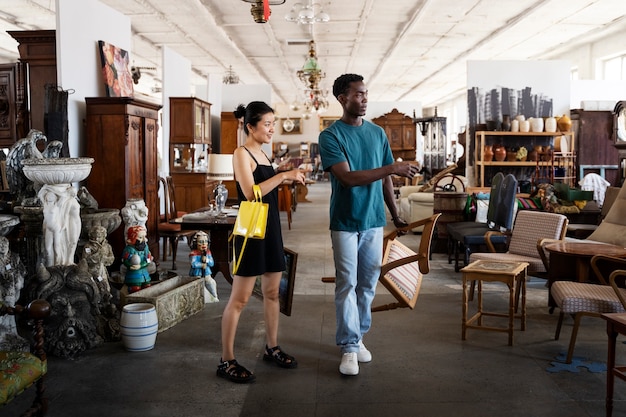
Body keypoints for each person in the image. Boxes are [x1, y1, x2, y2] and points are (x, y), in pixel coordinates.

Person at [318, 73, 419, 376]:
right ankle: (349, 347)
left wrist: (395, 213)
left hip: (374, 220)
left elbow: (386, 179)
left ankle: (358, 336)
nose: (364, 99)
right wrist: (391, 166)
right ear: (342, 98)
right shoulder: (330, 136)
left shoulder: (377, 133)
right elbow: (347, 179)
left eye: (365, 94)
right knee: (347, 283)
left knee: (368, 285)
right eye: (358, 94)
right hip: (346, 222)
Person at [217, 101, 305, 384]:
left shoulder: (263, 155)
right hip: (250, 230)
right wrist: (283, 175)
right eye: (267, 124)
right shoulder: (241, 153)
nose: (271, 129)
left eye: (273, 123)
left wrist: (287, 176)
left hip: (271, 230)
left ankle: (272, 347)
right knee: (240, 299)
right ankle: (226, 360)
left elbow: (269, 189)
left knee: (271, 293)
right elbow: (250, 193)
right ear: (250, 126)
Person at [120, 225, 153, 294]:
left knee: (148, 287)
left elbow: (148, 260)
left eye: (145, 236)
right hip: (133, 275)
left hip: (145, 273)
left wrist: (141, 265)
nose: (144, 239)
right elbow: (125, 261)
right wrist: (130, 266)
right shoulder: (129, 249)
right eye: (140, 237)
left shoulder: (145, 247)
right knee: (135, 289)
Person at [188, 231, 218, 303]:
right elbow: (193, 264)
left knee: (211, 283)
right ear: (196, 243)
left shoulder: (208, 253)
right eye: (200, 242)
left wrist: (206, 260)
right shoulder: (193, 254)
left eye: (205, 241)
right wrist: (201, 265)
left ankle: (214, 297)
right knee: (197, 286)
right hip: (197, 273)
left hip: (206, 272)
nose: (203, 244)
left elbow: (212, 263)